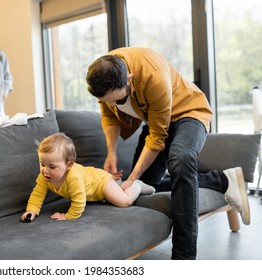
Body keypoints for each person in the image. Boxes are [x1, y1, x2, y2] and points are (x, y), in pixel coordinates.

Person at [85, 47, 251, 260]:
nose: (112, 104)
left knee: (180, 160)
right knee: (140, 189)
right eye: (107, 100)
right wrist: (112, 153)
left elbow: (157, 137)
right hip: (156, 118)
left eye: (117, 99)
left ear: (129, 78)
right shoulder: (104, 74)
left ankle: (183, 258)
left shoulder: (154, 75)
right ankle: (222, 180)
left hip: (189, 114)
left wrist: (133, 177)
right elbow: (109, 117)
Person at [20, 132, 155, 222]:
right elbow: (37, 195)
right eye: (42, 164)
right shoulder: (44, 177)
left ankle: (137, 185)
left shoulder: (74, 177)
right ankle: (118, 183)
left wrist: (67, 216)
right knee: (116, 192)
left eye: (52, 167)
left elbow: (79, 202)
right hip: (92, 188)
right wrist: (31, 211)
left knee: (124, 202)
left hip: (101, 183)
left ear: (68, 165)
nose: (45, 170)